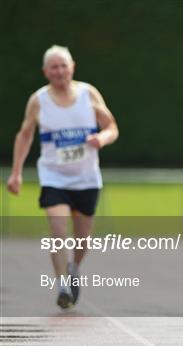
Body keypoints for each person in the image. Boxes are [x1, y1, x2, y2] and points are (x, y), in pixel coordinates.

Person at [6, 45, 119, 309]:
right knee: (58, 231)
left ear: (72, 68)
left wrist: (101, 138)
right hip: (54, 176)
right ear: (46, 72)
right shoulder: (39, 100)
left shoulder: (88, 94)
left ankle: (74, 268)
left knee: (83, 240)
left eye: (63, 66)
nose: (59, 71)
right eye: (54, 67)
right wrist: (16, 173)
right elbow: (24, 135)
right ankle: (62, 286)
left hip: (86, 178)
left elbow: (112, 126)